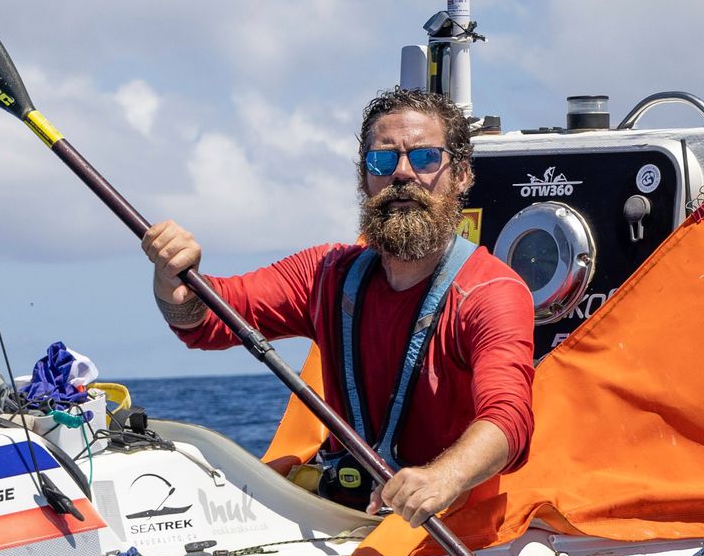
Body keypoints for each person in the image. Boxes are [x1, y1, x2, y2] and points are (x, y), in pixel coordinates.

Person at [141, 87, 534, 526]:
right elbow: (204, 321)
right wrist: (173, 281)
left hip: (443, 529)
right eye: (382, 161)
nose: (402, 174)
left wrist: (442, 477)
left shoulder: (491, 291)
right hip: (341, 512)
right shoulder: (326, 272)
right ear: (364, 178)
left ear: (461, 176)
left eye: (424, 158)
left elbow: (508, 418)